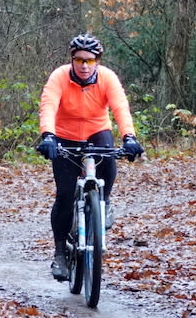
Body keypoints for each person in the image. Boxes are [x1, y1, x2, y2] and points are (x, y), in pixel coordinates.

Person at [36, 33, 144, 281]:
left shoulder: (107, 78)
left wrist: (129, 137)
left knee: (109, 164)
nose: (84, 66)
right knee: (64, 194)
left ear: (97, 61)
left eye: (90, 61)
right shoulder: (59, 77)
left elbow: (120, 107)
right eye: (79, 60)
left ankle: (103, 202)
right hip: (64, 135)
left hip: (97, 131)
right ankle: (61, 253)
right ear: (72, 60)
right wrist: (48, 136)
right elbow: (49, 105)